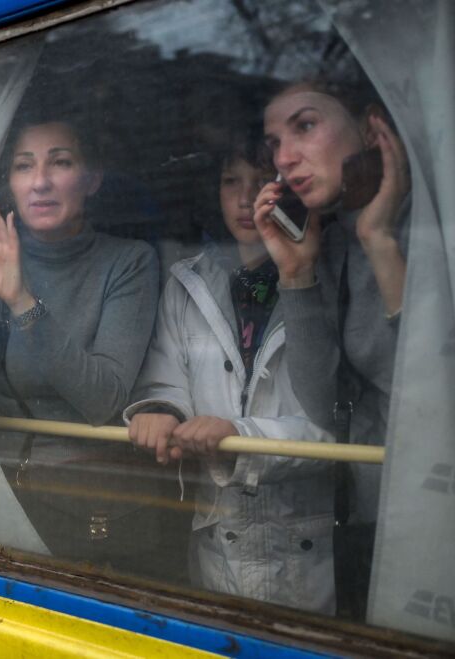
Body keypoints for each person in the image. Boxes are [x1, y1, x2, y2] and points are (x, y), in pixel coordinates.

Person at [0, 118, 174, 576]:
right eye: (24, 166)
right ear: (10, 183)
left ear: (92, 178)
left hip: (87, 506)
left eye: (60, 162)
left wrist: (22, 302)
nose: (40, 182)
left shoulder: (128, 261)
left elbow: (105, 398)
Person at [125, 136, 336, 613]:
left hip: (308, 544)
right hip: (219, 539)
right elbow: (166, 376)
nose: (245, 199)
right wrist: (161, 408)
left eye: (262, 181)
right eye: (230, 182)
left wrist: (238, 434)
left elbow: (335, 417)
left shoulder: (323, 276)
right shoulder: (186, 280)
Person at [253, 78, 410, 619]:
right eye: (274, 142)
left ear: (371, 128)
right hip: (370, 520)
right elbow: (325, 406)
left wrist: (383, 243)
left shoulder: (424, 228)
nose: (286, 158)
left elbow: (435, 392)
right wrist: (296, 273)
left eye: (306, 126)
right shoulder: (331, 239)